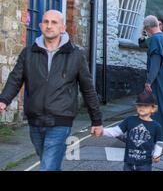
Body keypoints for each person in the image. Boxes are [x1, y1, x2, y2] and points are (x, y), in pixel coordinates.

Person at [0, 10, 103, 171]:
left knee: (47, 166)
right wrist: (3, 100)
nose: (49, 26)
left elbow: (88, 89)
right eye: (46, 22)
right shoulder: (28, 53)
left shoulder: (75, 55)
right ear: (40, 26)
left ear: (62, 28)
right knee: (50, 165)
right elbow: (15, 79)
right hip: (35, 120)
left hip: (61, 120)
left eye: (54, 22)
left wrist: (96, 120)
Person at [102, 92, 162, 171]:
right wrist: (101, 131)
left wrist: (157, 155)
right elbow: (116, 131)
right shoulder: (129, 120)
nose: (142, 107)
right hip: (129, 162)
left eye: (146, 106)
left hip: (145, 164)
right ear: (136, 106)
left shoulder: (156, 126)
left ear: (153, 109)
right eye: (139, 105)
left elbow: (159, 143)